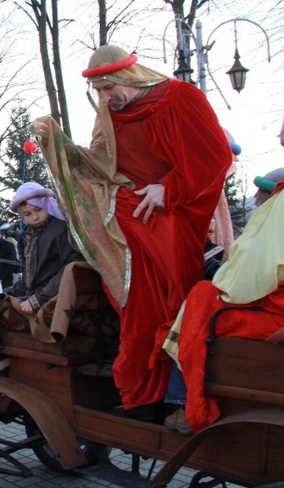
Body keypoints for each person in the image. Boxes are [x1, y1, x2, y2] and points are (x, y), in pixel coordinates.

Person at [32, 45, 232, 420]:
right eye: (99, 92)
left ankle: (169, 397)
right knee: (136, 308)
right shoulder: (108, 114)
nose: (105, 98)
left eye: (109, 88)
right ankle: (145, 399)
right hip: (127, 225)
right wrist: (57, 148)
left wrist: (168, 188)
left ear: (128, 76)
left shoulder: (181, 97)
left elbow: (216, 156)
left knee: (169, 304)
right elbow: (98, 165)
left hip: (173, 217)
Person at [160, 177, 284, 433]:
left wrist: (221, 276)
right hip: (274, 304)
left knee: (201, 304)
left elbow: (252, 276)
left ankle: (185, 403)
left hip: (275, 315)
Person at [0, 182, 83, 400]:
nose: (34, 217)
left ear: (47, 205)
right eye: (27, 214)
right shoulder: (28, 234)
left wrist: (38, 298)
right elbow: (28, 279)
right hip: (33, 294)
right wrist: (3, 291)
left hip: (52, 300)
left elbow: (69, 269)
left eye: (38, 210)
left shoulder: (60, 230)